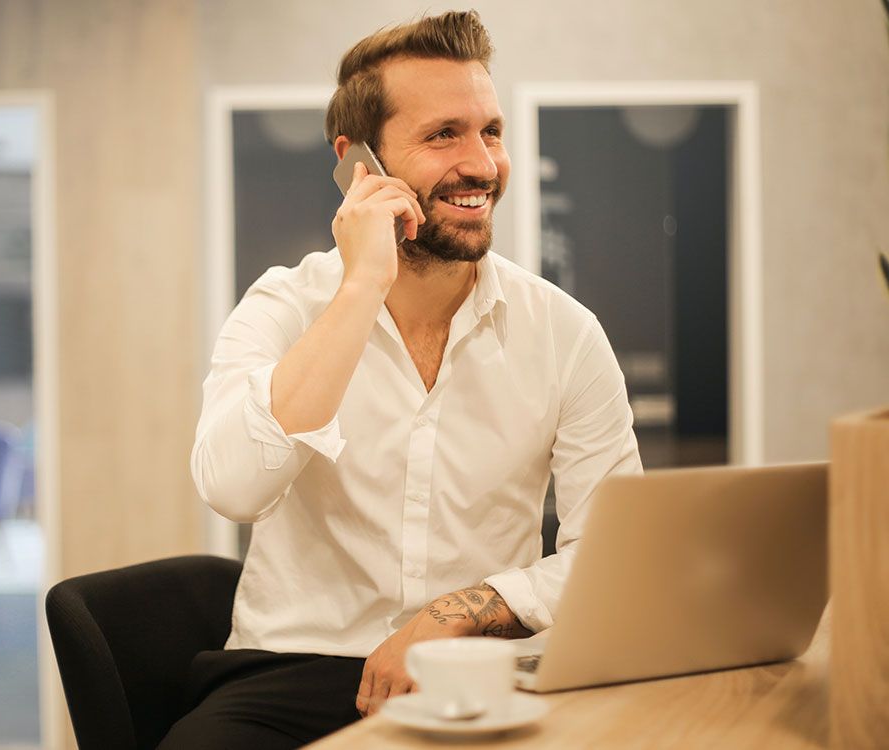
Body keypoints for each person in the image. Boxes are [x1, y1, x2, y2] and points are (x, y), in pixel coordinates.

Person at [167, 10, 642, 750]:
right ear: (359, 161)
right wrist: (359, 289)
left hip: (482, 669)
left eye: (490, 130)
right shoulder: (284, 306)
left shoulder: (566, 334)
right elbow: (234, 488)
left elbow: (613, 556)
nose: (483, 164)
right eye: (443, 134)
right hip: (292, 671)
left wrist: (452, 615)